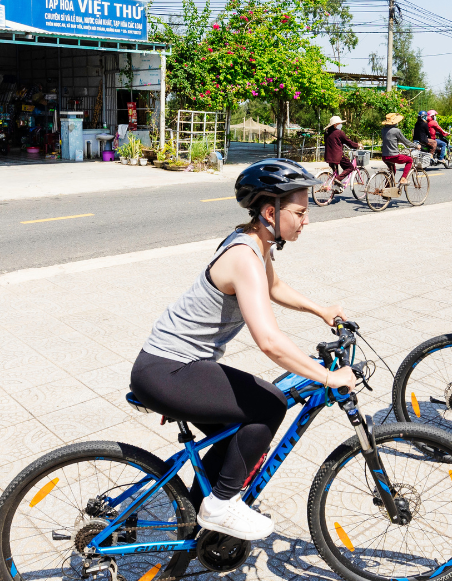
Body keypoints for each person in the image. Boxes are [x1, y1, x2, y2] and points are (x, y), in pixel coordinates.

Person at [130, 158, 357, 540]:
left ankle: (200, 517)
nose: (306, 220)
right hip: (169, 370)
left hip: (172, 366)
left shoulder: (256, 244)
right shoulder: (243, 256)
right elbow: (268, 341)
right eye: (300, 212)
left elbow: (273, 286)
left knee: (237, 432)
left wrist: (321, 310)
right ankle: (221, 506)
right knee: (269, 405)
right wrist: (327, 376)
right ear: (271, 211)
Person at [323, 115, 361, 192]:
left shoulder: (326, 133)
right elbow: (349, 142)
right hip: (337, 156)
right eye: (339, 123)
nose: (340, 124)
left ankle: (336, 187)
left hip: (328, 157)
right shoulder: (339, 133)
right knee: (350, 167)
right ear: (334, 125)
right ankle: (337, 180)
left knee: (335, 172)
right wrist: (357, 145)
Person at [380, 112, 413, 187]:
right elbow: (405, 141)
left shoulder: (383, 130)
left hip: (384, 156)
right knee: (410, 160)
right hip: (393, 156)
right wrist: (416, 145)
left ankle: (387, 190)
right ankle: (403, 179)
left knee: (392, 171)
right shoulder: (396, 131)